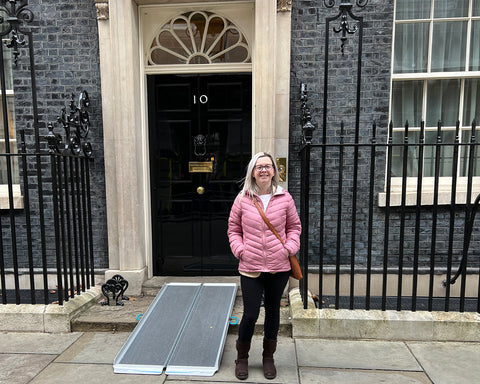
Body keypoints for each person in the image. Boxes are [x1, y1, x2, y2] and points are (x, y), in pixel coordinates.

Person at [227, 152, 301, 380]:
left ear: (274, 171)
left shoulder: (285, 198)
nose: (264, 170)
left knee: (273, 313)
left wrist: (289, 248)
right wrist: (240, 250)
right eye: (259, 167)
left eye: (267, 166)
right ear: (252, 172)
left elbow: (294, 227)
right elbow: (233, 229)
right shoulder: (242, 199)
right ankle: (242, 358)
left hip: (279, 267)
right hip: (251, 267)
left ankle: (268, 358)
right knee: (250, 314)